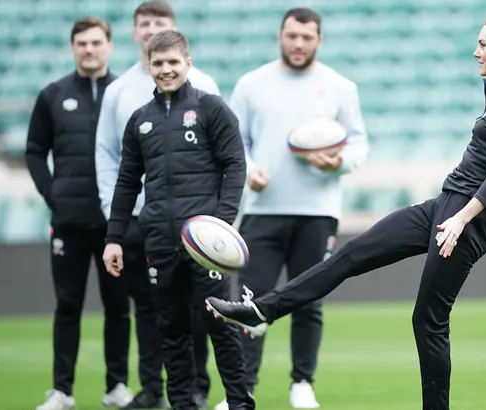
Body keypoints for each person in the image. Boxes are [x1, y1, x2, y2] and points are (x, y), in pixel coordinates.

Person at [204, 14, 486, 410]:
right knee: (351, 254)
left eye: (483, 44)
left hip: (464, 221)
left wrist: (462, 220)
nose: (476, 51)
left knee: (428, 321)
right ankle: (262, 311)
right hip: (445, 208)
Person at [213, 7, 370, 410]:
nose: (298, 44)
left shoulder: (340, 87)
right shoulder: (251, 85)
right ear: (280, 36)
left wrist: (338, 161)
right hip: (263, 211)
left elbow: (358, 144)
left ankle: (302, 383)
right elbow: (233, 144)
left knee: (309, 299)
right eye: (292, 36)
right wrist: (250, 171)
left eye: (307, 37)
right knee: (251, 301)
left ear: (319, 40)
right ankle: (241, 391)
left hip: (318, 212)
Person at [102, 30, 256, 410]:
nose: (166, 69)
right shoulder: (140, 120)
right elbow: (126, 182)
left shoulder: (211, 109)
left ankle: (239, 403)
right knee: (170, 331)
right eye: (159, 63)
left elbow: (235, 166)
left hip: (207, 249)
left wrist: (219, 226)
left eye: (174, 62)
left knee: (221, 326)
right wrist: (114, 237)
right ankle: (183, 404)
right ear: (149, 65)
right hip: (160, 241)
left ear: (188, 63)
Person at [95, 2, 220, 408]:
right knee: (150, 310)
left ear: (174, 33)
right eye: (144, 24)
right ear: (135, 35)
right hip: (137, 220)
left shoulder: (205, 87)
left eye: (159, 23)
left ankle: (196, 387)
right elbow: (109, 156)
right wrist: (115, 216)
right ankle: (152, 388)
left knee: (196, 308)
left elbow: (222, 157)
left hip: (192, 223)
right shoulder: (117, 92)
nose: (152, 28)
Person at [26, 17, 135, 410]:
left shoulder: (126, 93)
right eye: (82, 44)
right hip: (69, 222)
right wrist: (51, 192)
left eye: (96, 42)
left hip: (116, 225)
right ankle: (62, 392)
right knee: (68, 306)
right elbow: (35, 150)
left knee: (118, 307)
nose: (89, 49)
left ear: (109, 46)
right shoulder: (52, 95)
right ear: (73, 49)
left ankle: (117, 386)